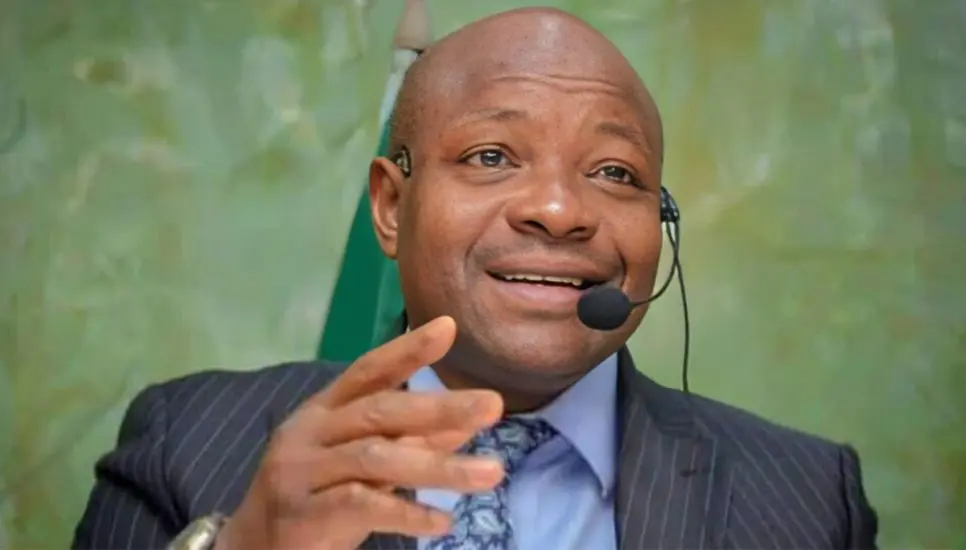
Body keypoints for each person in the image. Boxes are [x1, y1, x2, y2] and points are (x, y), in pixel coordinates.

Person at [71, 7, 878, 550]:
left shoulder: (806, 498)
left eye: (614, 172)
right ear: (392, 206)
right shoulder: (188, 444)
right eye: (492, 156)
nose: (559, 211)